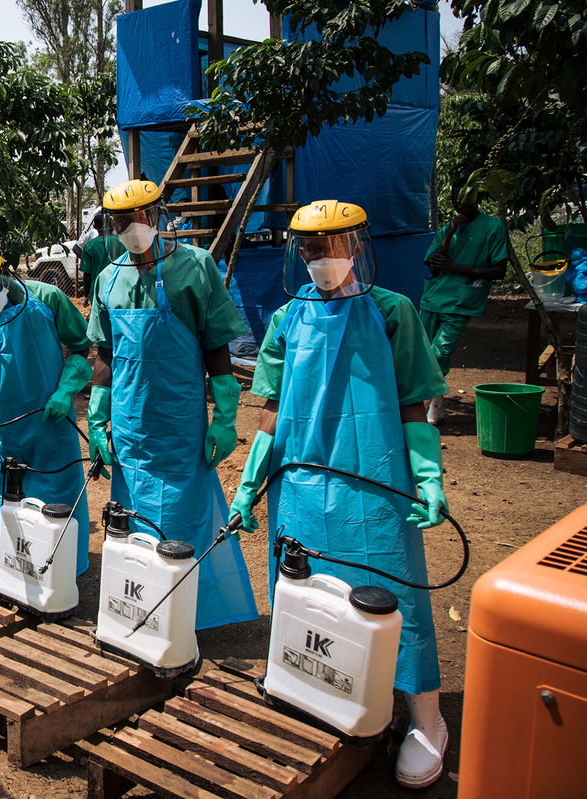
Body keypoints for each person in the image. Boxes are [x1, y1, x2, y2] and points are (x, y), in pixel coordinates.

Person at [229, 200, 450, 788]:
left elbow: (413, 403)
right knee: (308, 591)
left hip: (374, 483)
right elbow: (272, 414)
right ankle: (320, 687)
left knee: (393, 590)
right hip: (300, 486)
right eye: (309, 247)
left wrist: (428, 476)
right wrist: (248, 486)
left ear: (356, 246)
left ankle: (424, 715)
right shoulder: (285, 321)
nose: (320, 258)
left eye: (332, 245)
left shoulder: (391, 312)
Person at [86, 179, 258, 629]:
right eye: (123, 220)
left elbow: (217, 348)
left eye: (142, 216)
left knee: (183, 519)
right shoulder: (108, 277)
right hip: (129, 422)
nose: (134, 227)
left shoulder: (196, 266)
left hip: (180, 422)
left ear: (159, 215)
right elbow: (103, 353)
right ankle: (143, 609)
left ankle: (188, 616)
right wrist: (99, 418)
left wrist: (225, 418)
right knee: (133, 519)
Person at [0, 246, 94, 574]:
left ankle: (65, 569)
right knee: (10, 498)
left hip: (52, 422)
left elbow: (83, 349)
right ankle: (14, 569)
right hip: (8, 428)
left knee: (59, 495)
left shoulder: (48, 297)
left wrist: (65, 389)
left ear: (5, 272)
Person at [419, 181, 509, 423]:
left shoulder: (493, 227)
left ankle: (419, 414)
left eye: (469, 201)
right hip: (433, 299)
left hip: (461, 301)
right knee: (424, 355)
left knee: (439, 353)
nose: (464, 206)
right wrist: (449, 233)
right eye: (459, 201)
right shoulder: (447, 229)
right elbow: (434, 265)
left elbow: (499, 270)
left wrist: (456, 268)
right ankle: (435, 410)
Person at [73, 209, 119, 304]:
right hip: (117, 287)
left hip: (98, 289)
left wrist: (86, 295)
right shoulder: (121, 242)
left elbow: (87, 274)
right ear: (111, 225)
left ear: (94, 227)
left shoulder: (90, 245)